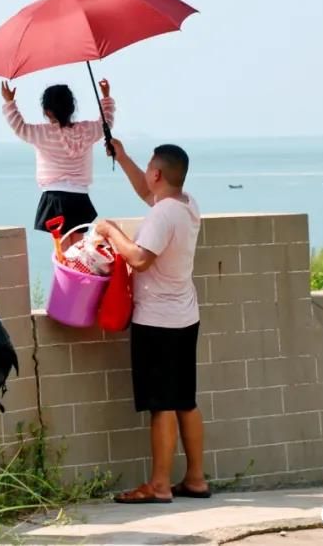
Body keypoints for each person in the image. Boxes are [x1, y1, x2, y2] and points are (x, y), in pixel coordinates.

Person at [93, 139, 210, 504]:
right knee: (184, 401)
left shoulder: (163, 215)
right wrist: (123, 158)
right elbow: (148, 193)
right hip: (184, 316)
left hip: (158, 322)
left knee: (162, 405)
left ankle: (159, 485)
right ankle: (195, 479)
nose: (146, 173)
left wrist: (110, 231)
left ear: (157, 173)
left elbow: (140, 259)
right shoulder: (185, 204)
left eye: (147, 167)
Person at [1, 79, 115, 240]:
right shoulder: (87, 130)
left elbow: (20, 127)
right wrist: (106, 97)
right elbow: (106, 123)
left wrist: (9, 103)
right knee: (77, 250)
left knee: (61, 250)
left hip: (54, 197)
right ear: (72, 108)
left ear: (47, 112)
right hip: (80, 196)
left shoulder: (43, 134)